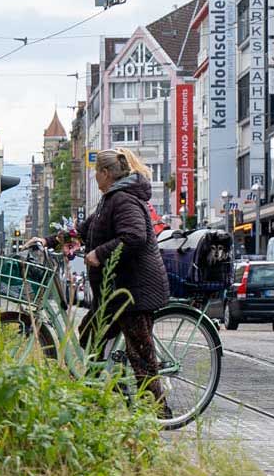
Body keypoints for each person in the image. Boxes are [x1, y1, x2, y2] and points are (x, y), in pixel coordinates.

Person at [28, 148, 170, 410]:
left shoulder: (124, 200)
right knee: (91, 334)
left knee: (140, 355)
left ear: (106, 173)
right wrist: (47, 241)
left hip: (134, 290)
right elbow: (82, 231)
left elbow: (135, 237)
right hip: (115, 291)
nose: (94, 177)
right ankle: (94, 396)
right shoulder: (110, 200)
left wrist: (99, 253)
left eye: (96, 172)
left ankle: (159, 412)